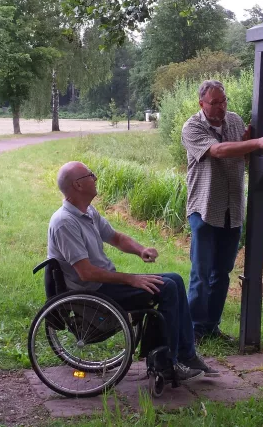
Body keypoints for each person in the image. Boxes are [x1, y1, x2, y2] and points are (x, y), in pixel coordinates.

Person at [47, 161, 220, 382]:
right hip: (92, 291)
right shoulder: (64, 223)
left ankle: (184, 355)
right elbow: (86, 273)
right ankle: (165, 363)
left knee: (175, 280)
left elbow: (116, 237)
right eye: (90, 175)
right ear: (78, 185)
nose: (95, 178)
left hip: (104, 285)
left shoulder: (87, 212)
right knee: (166, 288)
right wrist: (131, 280)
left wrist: (141, 250)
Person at [181, 80, 263, 342]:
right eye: (214, 102)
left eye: (223, 100)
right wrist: (257, 142)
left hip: (232, 209)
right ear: (201, 103)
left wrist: (252, 144)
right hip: (204, 209)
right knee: (200, 274)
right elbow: (219, 151)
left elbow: (244, 154)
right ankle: (193, 331)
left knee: (222, 273)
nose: (221, 107)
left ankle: (211, 327)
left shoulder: (235, 121)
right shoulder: (192, 127)